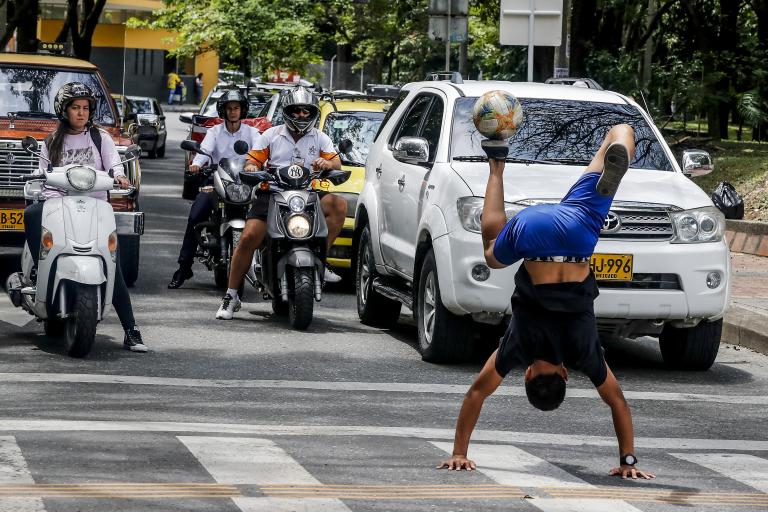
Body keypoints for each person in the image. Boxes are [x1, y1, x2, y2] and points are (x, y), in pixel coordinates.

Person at [437, 124, 655, 480]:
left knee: (620, 130)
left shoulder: (584, 354)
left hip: (578, 232)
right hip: (534, 230)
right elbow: (476, 393)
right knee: (492, 254)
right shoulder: (517, 350)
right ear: (526, 374)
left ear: (566, 373)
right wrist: (459, 452)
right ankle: (496, 164)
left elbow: (617, 401)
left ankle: (621, 153)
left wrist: (628, 461)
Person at [23, 82, 148, 353]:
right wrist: (39, 176)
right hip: (60, 204)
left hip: (95, 207)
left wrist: (120, 175)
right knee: (32, 213)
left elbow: (114, 163)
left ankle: (131, 329)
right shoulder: (51, 141)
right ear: (63, 110)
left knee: (110, 264)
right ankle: (38, 268)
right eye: (75, 108)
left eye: (85, 108)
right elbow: (43, 172)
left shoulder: (99, 137)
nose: (81, 113)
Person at [215, 85, 346, 320]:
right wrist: (253, 168)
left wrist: (327, 165)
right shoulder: (271, 135)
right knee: (248, 237)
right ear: (288, 111)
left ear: (314, 112)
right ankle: (231, 295)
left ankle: (321, 260)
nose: (302, 115)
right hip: (272, 193)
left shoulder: (320, 137)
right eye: (297, 110)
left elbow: (336, 164)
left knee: (339, 205)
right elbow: (252, 161)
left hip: (308, 193)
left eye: (307, 111)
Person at [168, 89, 260, 289]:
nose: (233, 112)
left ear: (242, 110)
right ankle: (184, 267)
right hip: (216, 180)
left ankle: (268, 274)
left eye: (236, 108)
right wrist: (197, 164)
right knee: (196, 215)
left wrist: (262, 165)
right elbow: (205, 151)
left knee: (264, 216)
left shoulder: (252, 133)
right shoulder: (215, 132)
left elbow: (260, 153)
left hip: (244, 184)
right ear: (223, 111)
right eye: (229, 109)